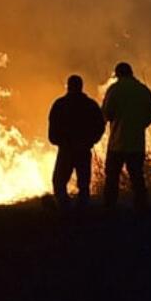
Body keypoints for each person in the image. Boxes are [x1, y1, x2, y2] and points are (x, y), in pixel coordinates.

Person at [102, 61, 151, 212]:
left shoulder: (114, 90)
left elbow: (106, 113)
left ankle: (109, 208)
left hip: (117, 144)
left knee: (112, 177)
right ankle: (141, 208)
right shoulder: (143, 90)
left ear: (118, 74)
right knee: (137, 177)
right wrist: (140, 125)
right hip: (136, 143)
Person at [48, 74, 105, 214]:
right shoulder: (90, 105)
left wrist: (57, 141)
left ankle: (64, 208)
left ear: (68, 86)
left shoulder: (60, 104)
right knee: (84, 183)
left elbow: (53, 126)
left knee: (59, 181)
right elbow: (100, 125)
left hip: (66, 150)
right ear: (81, 86)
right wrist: (91, 141)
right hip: (83, 149)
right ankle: (82, 210)